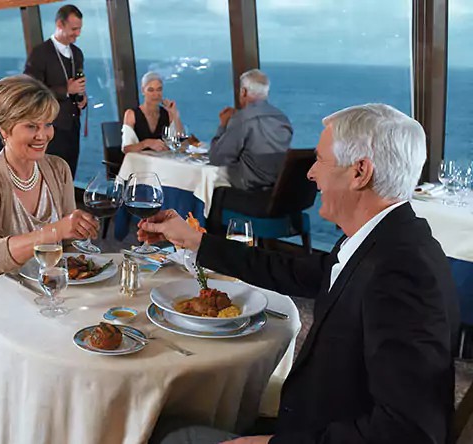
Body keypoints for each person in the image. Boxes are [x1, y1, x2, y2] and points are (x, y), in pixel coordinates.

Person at [141, 104, 459, 444]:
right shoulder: (381, 239)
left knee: (167, 433)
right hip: (313, 419)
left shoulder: (402, 275)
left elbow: (409, 433)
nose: (310, 174)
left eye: (320, 160)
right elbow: (292, 270)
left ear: (360, 172)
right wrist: (197, 241)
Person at [0, 74, 99, 381]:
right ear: (4, 129)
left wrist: (80, 231)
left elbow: (70, 241)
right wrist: (57, 231)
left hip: (49, 285)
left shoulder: (58, 169)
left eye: (47, 124)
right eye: (31, 126)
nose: (44, 135)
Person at [24, 4, 86, 179]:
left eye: (80, 29)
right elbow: (31, 92)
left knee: (68, 174)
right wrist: (66, 90)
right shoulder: (40, 53)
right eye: (74, 29)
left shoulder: (77, 53)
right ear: (60, 24)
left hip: (72, 126)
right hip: (49, 126)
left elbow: (77, 84)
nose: (78, 34)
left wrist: (82, 98)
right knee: (49, 176)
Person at [209, 69, 292, 191]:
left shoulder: (242, 119)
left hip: (250, 184)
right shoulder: (283, 119)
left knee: (206, 177)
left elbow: (217, 158)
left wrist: (223, 125)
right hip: (277, 186)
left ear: (243, 92)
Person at [122, 71, 184, 153]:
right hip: (140, 163)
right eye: (151, 90)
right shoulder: (131, 114)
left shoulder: (167, 114)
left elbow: (181, 144)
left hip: (161, 162)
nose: (156, 94)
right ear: (143, 91)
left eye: (159, 89)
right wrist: (146, 143)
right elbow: (126, 149)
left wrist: (175, 115)